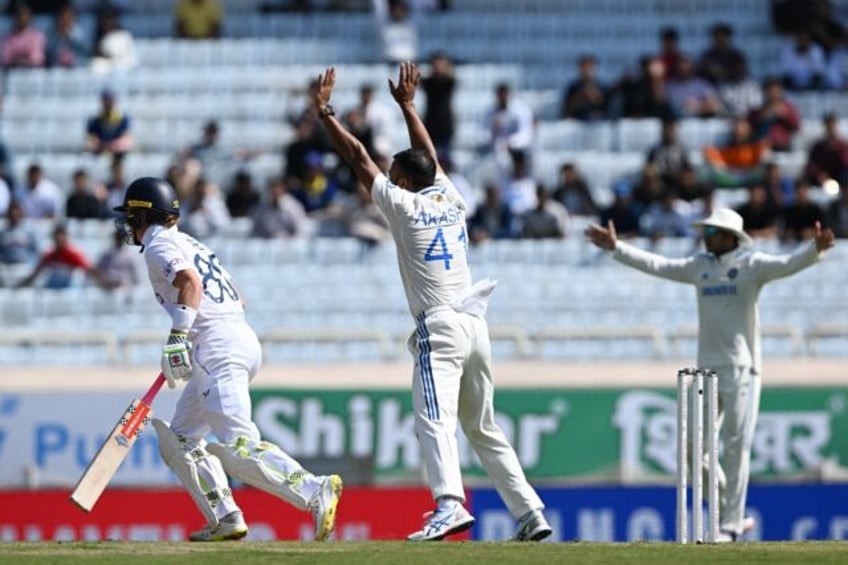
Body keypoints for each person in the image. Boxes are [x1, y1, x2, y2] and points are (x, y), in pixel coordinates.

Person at [313, 62, 550, 542]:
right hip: (475, 327)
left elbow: (358, 156)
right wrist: (407, 106)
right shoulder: (450, 198)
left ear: (401, 182)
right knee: (482, 427)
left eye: (394, 173)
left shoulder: (402, 206)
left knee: (433, 420)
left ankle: (448, 505)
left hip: (439, 327)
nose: (390, 177)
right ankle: (530, 513)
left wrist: (325, 113)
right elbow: (428, 154)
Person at [112, 177, 342, 542]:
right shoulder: (190, 241)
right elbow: (237, 298)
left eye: (130, 217)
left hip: (219, 347)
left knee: (238, 446)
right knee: (181, 440)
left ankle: (314, 489)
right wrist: (192, 337)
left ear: (143, 215)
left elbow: (191, 283)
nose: (128, 225)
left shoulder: (159, 244)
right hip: (234, 338)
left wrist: (178, 335)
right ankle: (226, 516)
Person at [585, 207, 835, 543]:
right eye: (706, 230)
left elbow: (787, 265)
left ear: (731, 236)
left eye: (713, 231)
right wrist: (617, 248)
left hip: (743, 367)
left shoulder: (752, 264)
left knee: (735, 445)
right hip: (706, 370)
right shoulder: (699, 267)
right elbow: (659, 265)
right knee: (692, 448)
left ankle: (729, 526)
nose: (706, 236)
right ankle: (730, 509)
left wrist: (814, 249)